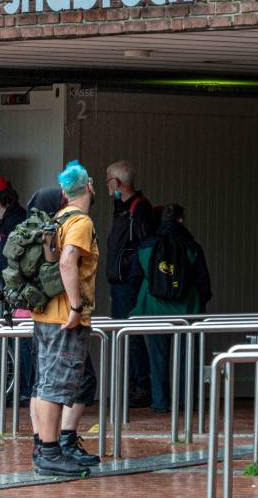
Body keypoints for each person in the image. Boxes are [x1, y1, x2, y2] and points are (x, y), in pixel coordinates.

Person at [31, 161, 101, 476]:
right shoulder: (81, 222)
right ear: (89, 187)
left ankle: (46, 448)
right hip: (64, 316)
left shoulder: (57, 218)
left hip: (46, 313)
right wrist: (75, 307)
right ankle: (49, 453)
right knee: (55, 386)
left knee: (45, 383)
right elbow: (68, 261)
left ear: (63, 191)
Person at [130, 204, 212, 413]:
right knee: (188, 358)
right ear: (181, 220)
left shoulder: (146, 246)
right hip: (187, 311)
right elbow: (203, 283)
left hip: (153, 311)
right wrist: (199, 302)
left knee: (158, 359)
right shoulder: (192, 246)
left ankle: (160, 402)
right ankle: (186, 401)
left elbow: (134, 276)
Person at [104, 160, 154, 407]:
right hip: (119, 281)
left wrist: (129, 272)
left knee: (131, 333)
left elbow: (144, 245)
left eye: (107, 180)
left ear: (116, 182)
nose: (105, 185)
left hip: (128, 282)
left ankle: (141, 385)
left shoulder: (138, 208)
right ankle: (134, 384)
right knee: (124, 334)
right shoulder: (121, 207)